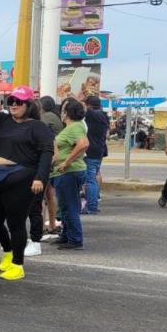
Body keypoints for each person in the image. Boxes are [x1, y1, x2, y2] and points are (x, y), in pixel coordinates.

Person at [0, 86, 54, 281]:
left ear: (29, 105)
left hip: (21, 178)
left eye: (19, 101)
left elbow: (47, 152)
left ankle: (17, 263)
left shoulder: (38, 127)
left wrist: (40, 177)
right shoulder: (3, 120)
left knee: (16, 223)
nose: (14, 104)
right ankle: (8, 251)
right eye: (11, 101)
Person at [50, 98, 89, 250]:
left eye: (63, 110)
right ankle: (66, 235)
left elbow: (84, 144)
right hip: (65, 172)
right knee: (65, 205)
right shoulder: (71, 127)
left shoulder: (75, 127)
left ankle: (75, 239)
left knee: (69, 205)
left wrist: (66, 162)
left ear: (66, 113)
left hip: (69, 172)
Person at [37, 96, 63, 241]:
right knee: (50, 195)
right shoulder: (55, 116)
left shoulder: (45, 118)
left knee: (40, 196)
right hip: (54, 159)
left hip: (47, 159)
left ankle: (40, 226)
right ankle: (52, 224)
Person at [82, 95, 109, 215]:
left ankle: (91, 206)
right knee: (94, 176)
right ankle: (93, 202)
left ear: (89, 105)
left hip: (91, 151)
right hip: (98, 150)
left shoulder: (94, 115)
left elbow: (84, 110)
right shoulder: (103, 115)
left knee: (90, 179)